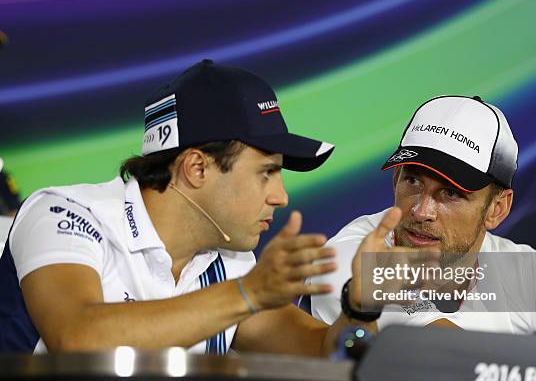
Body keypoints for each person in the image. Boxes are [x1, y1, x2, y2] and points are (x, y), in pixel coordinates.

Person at [0, 59, 395, 354]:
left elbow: (327, 354)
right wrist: (246, 295)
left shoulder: (231, 264)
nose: (281, 196)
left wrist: (360, 311)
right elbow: (78, 336)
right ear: (197, 167)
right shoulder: (65, 213)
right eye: (267, 172)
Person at [309, 95, 536, 337]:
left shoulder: (524, 270)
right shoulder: (350, 255)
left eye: (451, 193)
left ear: (497, 209)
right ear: (395, 180)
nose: (421, 211)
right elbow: (444, 356)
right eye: (413, 181)